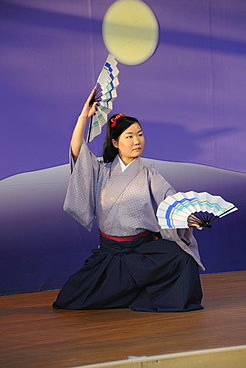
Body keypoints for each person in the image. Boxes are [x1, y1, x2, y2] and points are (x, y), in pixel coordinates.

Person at [53, 89, 204, 312]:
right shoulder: (101, 171)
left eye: (140, 134)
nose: (137, 141)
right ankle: (127, 291)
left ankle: (143, 292)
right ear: (115, 142)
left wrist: (186, 216)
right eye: (129, 136)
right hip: (111, 253)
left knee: (183, 259)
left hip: (143, 251)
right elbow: (78, 152)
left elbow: (168, 199)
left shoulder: (150, 175)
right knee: (69, 299)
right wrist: (82, 118)